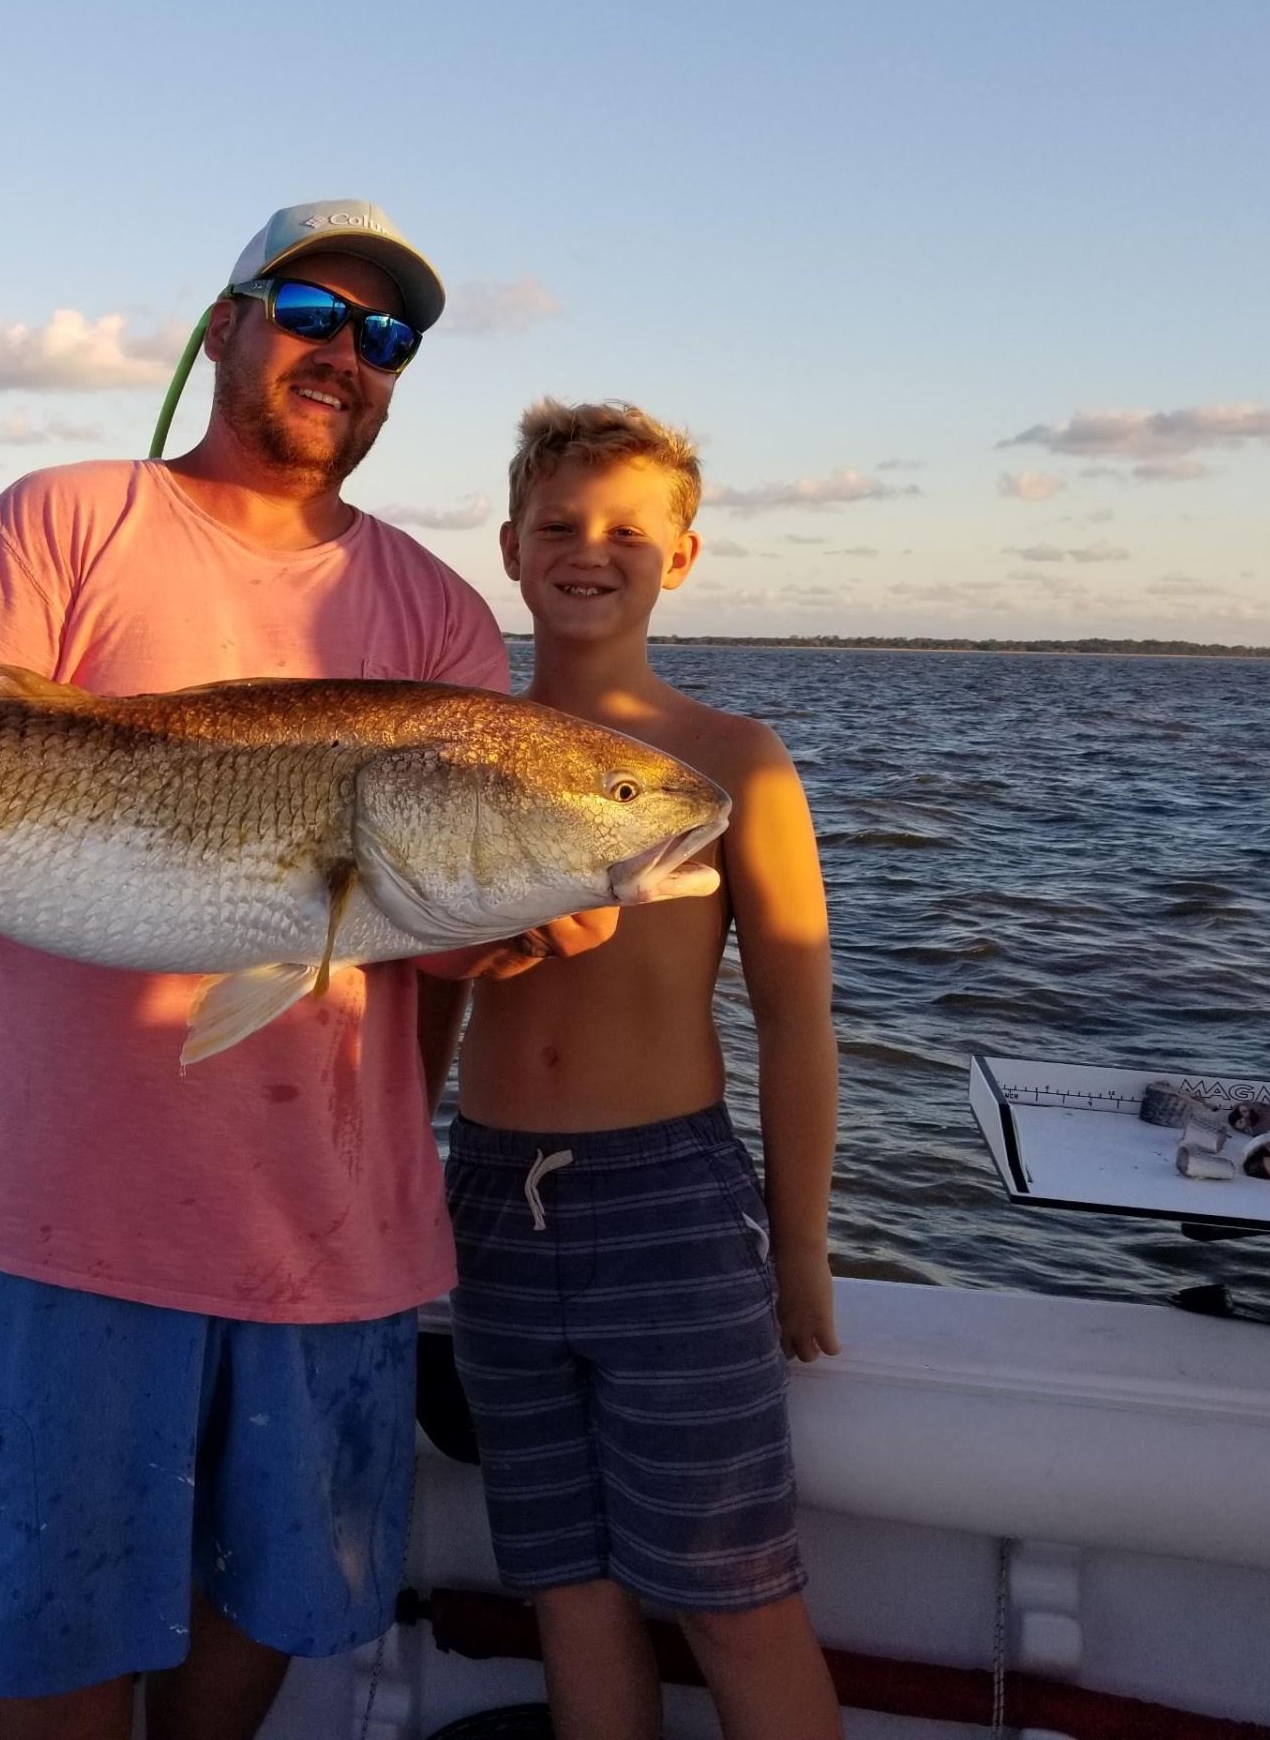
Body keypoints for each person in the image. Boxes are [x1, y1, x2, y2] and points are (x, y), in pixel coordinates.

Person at [0, 202, 591, 1740]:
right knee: (55, 1639)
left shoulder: (436, 615)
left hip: (328, 1232)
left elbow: (428, 926)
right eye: (306, 310)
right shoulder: (65, 520)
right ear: (220, 327)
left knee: (269, 1614)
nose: (343, 355)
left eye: (385, 338)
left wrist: (524, 905)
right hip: (57, 1210)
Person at [443, 399, 843, 1739]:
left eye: (628, 528)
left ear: (683, 555)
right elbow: (419, 1002)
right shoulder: (451, 748)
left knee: (732, 1592)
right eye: (559, 524)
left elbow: (796, 1020)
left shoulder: (736, 763)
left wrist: (799, 1243)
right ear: (509, 546)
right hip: (491, 1199)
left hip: (669, 1205)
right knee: (569, 1586)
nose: (588, 550)